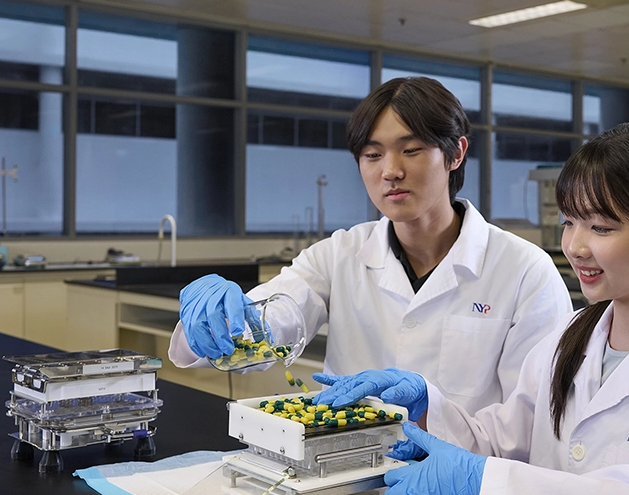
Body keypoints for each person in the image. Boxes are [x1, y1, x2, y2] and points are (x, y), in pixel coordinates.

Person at [312, 122, 629, 495]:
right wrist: (427, 408)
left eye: (601, 228)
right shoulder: (569, 338)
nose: (576, 246)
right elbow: (505, 440)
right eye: (570, 222)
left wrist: (484, 482)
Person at [169, 77, 572, 413]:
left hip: (460, 486)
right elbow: (272, 323)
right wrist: (215, 320)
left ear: (456, 153)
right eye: (372, 154)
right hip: (342, 468)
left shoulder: (524, 272)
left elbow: (535, 416)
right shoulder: (338, 256)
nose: (391, 171)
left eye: (411, 150)